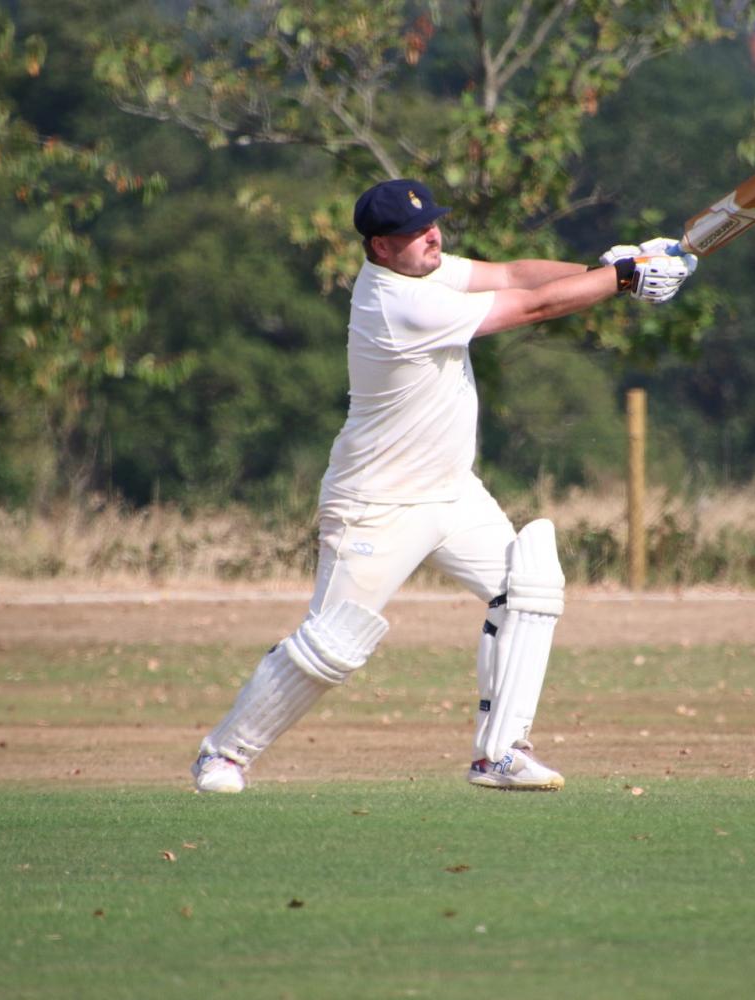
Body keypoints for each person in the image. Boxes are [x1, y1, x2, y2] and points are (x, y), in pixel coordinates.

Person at [191, 178, 696, 793]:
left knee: (528, 586)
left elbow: (513, 275)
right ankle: (225, 753)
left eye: (433, 222)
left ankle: (500, 754)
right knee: (334, 646)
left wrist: (611, 263)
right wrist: (622, 281)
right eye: (413, 233)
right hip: (375, 503)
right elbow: (531, 309)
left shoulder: (425, 270)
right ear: (379, 248)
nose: (431, 235)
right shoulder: (395, 302)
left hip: (453, 493)